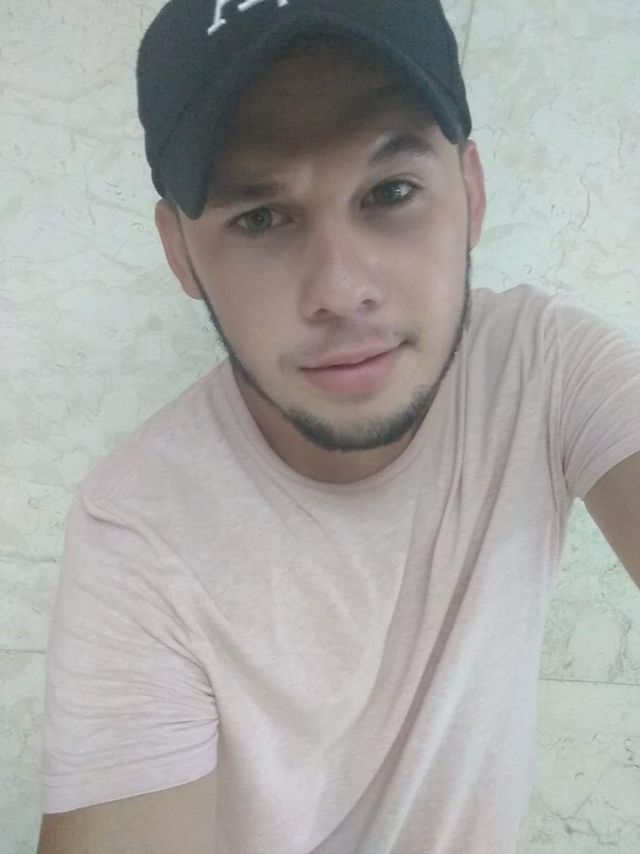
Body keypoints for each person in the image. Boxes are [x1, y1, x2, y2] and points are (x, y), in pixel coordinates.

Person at [37, 0, 640, 852]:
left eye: (391, 192)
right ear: (180, 253)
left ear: (471, 194)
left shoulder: (543, 368)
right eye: (260, 217)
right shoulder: (138, 528)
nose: (340, 289)